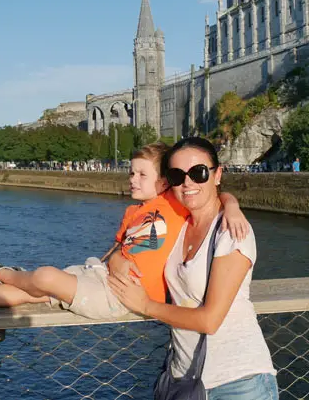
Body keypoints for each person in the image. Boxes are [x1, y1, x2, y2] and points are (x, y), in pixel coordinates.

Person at [0, 142, 251, 318]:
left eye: (141, 175)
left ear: (163, 181)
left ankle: (4, 273)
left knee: (42, 277)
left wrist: (233, 207)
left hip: (123, 298)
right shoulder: (134, 211)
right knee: (35, 293)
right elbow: (117, 251)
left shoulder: (175, 203)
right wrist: (115, 261)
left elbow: (216, 194)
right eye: (131, 173)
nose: (132, 179)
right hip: (101, 275)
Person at [109, 137, 278, 400]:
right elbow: (131, 247)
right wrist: (118, 259)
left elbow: (210, 320)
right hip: (184, 378)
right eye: (177, 175)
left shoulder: (232, 232)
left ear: (217, 174)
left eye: (198, 173)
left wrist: (146, 306)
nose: (188, 182)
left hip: (237, 382)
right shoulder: (178, 224)